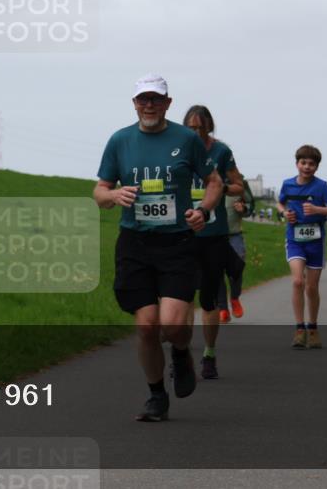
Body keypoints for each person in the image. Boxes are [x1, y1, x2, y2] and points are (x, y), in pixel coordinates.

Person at [94, 74, 221, 421]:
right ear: (134, 103)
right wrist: (113, 194)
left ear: (168, 103)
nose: (148, 105)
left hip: (177, 242)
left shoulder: (186, 140)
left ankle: (181, 354)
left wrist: (204, 210)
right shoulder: (120, 141)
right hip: (135, 243)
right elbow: (99, 191)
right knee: (147, 326)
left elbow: (214, 182)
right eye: (142, 99)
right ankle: (155, 395)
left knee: (172, 326)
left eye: (156, 99)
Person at [183, 105, 245, 379]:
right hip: (182, 234)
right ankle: (180, 354)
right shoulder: (178, 150)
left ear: (209, 127)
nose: (196, 132)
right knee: (182, 297)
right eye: (191, 128)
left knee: (208, 301)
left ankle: (209, 354)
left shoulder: (222, 152)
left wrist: (220, 187)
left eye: (200, 128)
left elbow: (238, 186)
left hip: (213, 234)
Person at [277, 145, 327, 349]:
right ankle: (299, 329)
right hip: (295, 239)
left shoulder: (321, 186)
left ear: (316, 167)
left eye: (311, 164)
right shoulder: (287, 184)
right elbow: (280, 203)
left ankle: (313, 327)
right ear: (297, 163)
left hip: (316, 241)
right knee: (298, 281)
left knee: (312, 287)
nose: (307, 167)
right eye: (303, 162)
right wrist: (284, 213)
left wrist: (318, 209)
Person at [217, 179, 255, 324]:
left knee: (237, 268)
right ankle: (223, 309)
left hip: (234, 235)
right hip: (214, 235)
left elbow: (251, 204)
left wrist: (244, 208)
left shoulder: (240, 183)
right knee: (216, 271)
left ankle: (234, 298)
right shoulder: (205, 178)